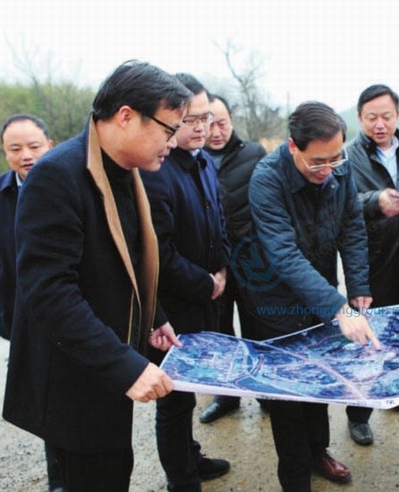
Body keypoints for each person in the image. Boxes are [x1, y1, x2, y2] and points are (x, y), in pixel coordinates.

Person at [2, 60, 187, 492]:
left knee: (114, 468)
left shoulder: (124, 171)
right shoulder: (57, 175)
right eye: (168, 129)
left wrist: (155, 316)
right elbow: (50, 294)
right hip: (75, 381)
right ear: (126, 116)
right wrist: (126, 367)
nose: (173, 142)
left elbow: (126, 260)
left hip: (106, 365)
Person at [243, 101, 380, 491]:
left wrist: (358, 287)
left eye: (335, 159)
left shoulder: (339, 167)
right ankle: (295, 477)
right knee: (289, 391)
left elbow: (352, 225)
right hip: (276, 298)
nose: (328, 170)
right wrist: (338, 308)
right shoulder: (267, 179)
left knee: (320, 378)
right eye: (317, 162)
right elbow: (283, 255)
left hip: (320, 286)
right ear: (293, 147)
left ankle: (319, 451)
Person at [141, 73, 231, 491]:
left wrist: (223, 269)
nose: (200, 127)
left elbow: (219, 220)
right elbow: (159, 251)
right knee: (174, 401)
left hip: (207, 296)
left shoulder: (205, 161)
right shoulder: (156, 170)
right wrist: (204, 283)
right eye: (190, 119)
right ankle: (181, 479)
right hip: (175, 307)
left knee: (193, 389)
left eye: (206, 117)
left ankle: (191, 457)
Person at [0, 114, 65, 491]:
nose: (26, 155)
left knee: (68, 396)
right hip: (20, 316)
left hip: (65, 313)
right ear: (4, 152)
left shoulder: (68, 184)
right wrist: (0, 287)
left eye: (34, 146)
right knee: (41, 398)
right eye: (15, 148)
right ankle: (59, 478)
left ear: (50, 146)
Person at [343, 84, 399, 446]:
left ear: (398, 116)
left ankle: (396, 394)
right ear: (360, 118)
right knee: (367, 340)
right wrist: (376, 201)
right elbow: (343, 204)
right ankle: (358, 413)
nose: (380, 124)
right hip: (371, 259)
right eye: (372, 117)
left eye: (386, 116)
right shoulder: (349, 156)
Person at [198, 93, 268, 424]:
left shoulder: (254, 154)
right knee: (220, 331)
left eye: (222, 123)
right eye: (209, 123)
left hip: (253, 261)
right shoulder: (194, 159)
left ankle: (266, 391)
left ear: (232, 121)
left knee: (259, 327)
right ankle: (226, 396)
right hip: (214, 265)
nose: (215, 131)